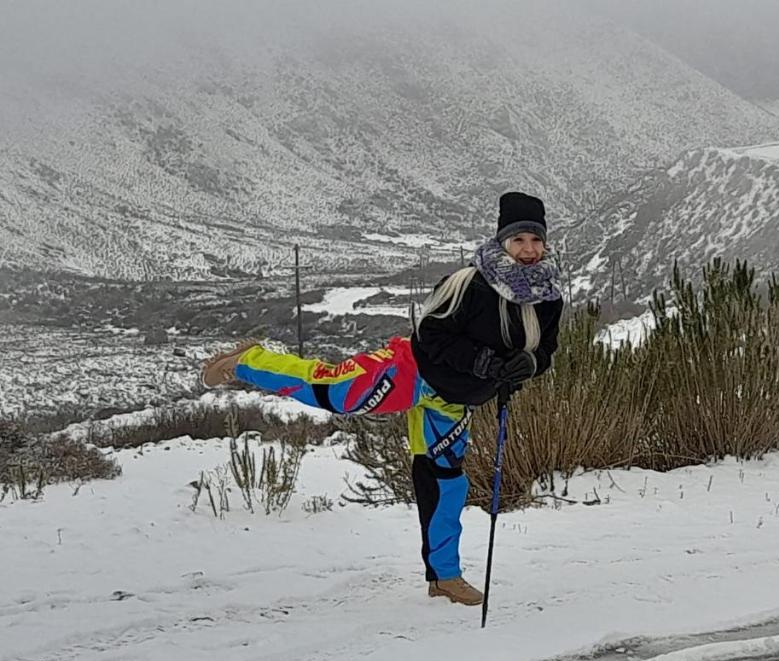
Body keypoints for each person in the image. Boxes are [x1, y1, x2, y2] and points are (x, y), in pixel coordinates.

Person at [200, 192, 564, 606]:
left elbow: (544, 351)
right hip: (411, 373)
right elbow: (432, 337)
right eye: (519, 241)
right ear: (503, 242)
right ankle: (248, 361)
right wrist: (483, 362)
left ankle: (445, 577)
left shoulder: (548, 295)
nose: (529, 250)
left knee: (447, 485)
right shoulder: (467, 285)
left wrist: (526, 368)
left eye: (535, 240)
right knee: (334, 391)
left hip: (453, 402)